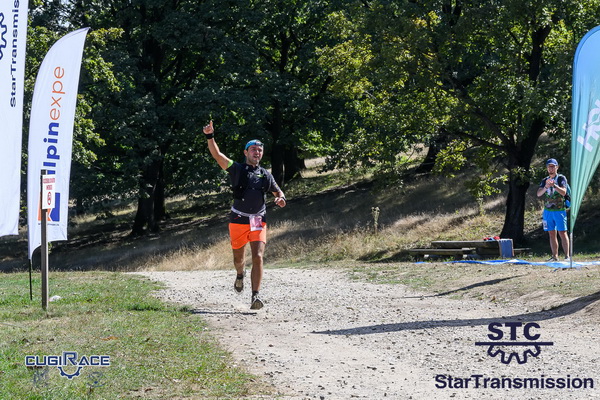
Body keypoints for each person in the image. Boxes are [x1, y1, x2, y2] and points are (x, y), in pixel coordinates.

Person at [203, 120, 286, 309]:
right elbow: (217, 155)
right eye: (253, 149)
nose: (257, 152)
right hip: (238, 219)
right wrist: (210, 136)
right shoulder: (237, 169)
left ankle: (255, 296)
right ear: (246, 152)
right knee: (238, 259)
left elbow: (278, 192)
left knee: (258, 256)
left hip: (258, 220)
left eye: (260, 150)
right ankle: (240, 274)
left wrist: (281, 198)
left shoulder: (266, 174)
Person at [536, 158, 570, 261]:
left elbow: (563, 192)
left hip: (559, 210)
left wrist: (554, 185)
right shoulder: (544, 180)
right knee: (551, 233)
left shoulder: (561, 178)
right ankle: (555, 256)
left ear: (557, 167)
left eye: (552, 166)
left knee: (562, 232)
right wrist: (546, 186)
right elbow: (539, 194)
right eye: (549, 167)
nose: (551, 169)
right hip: (548, 211)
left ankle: (567, 256)